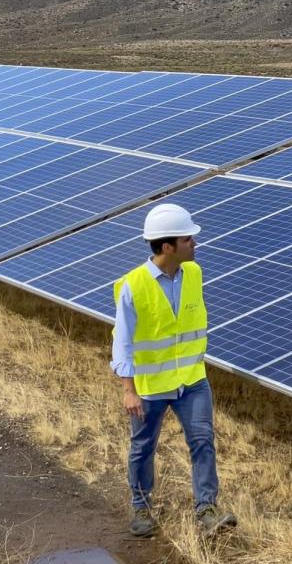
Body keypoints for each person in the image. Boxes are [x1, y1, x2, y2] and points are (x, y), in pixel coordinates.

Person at [110, 203, 236, 538]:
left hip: (192, 381)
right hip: (150, 387)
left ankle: (207, 509)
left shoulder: (194, 273)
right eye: (188, 239)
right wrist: (128, 389)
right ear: (168, 247)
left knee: (203, 442)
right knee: (142, 447)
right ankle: (141, 510)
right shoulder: (132, 286)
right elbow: (121, 341)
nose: (195, 243)